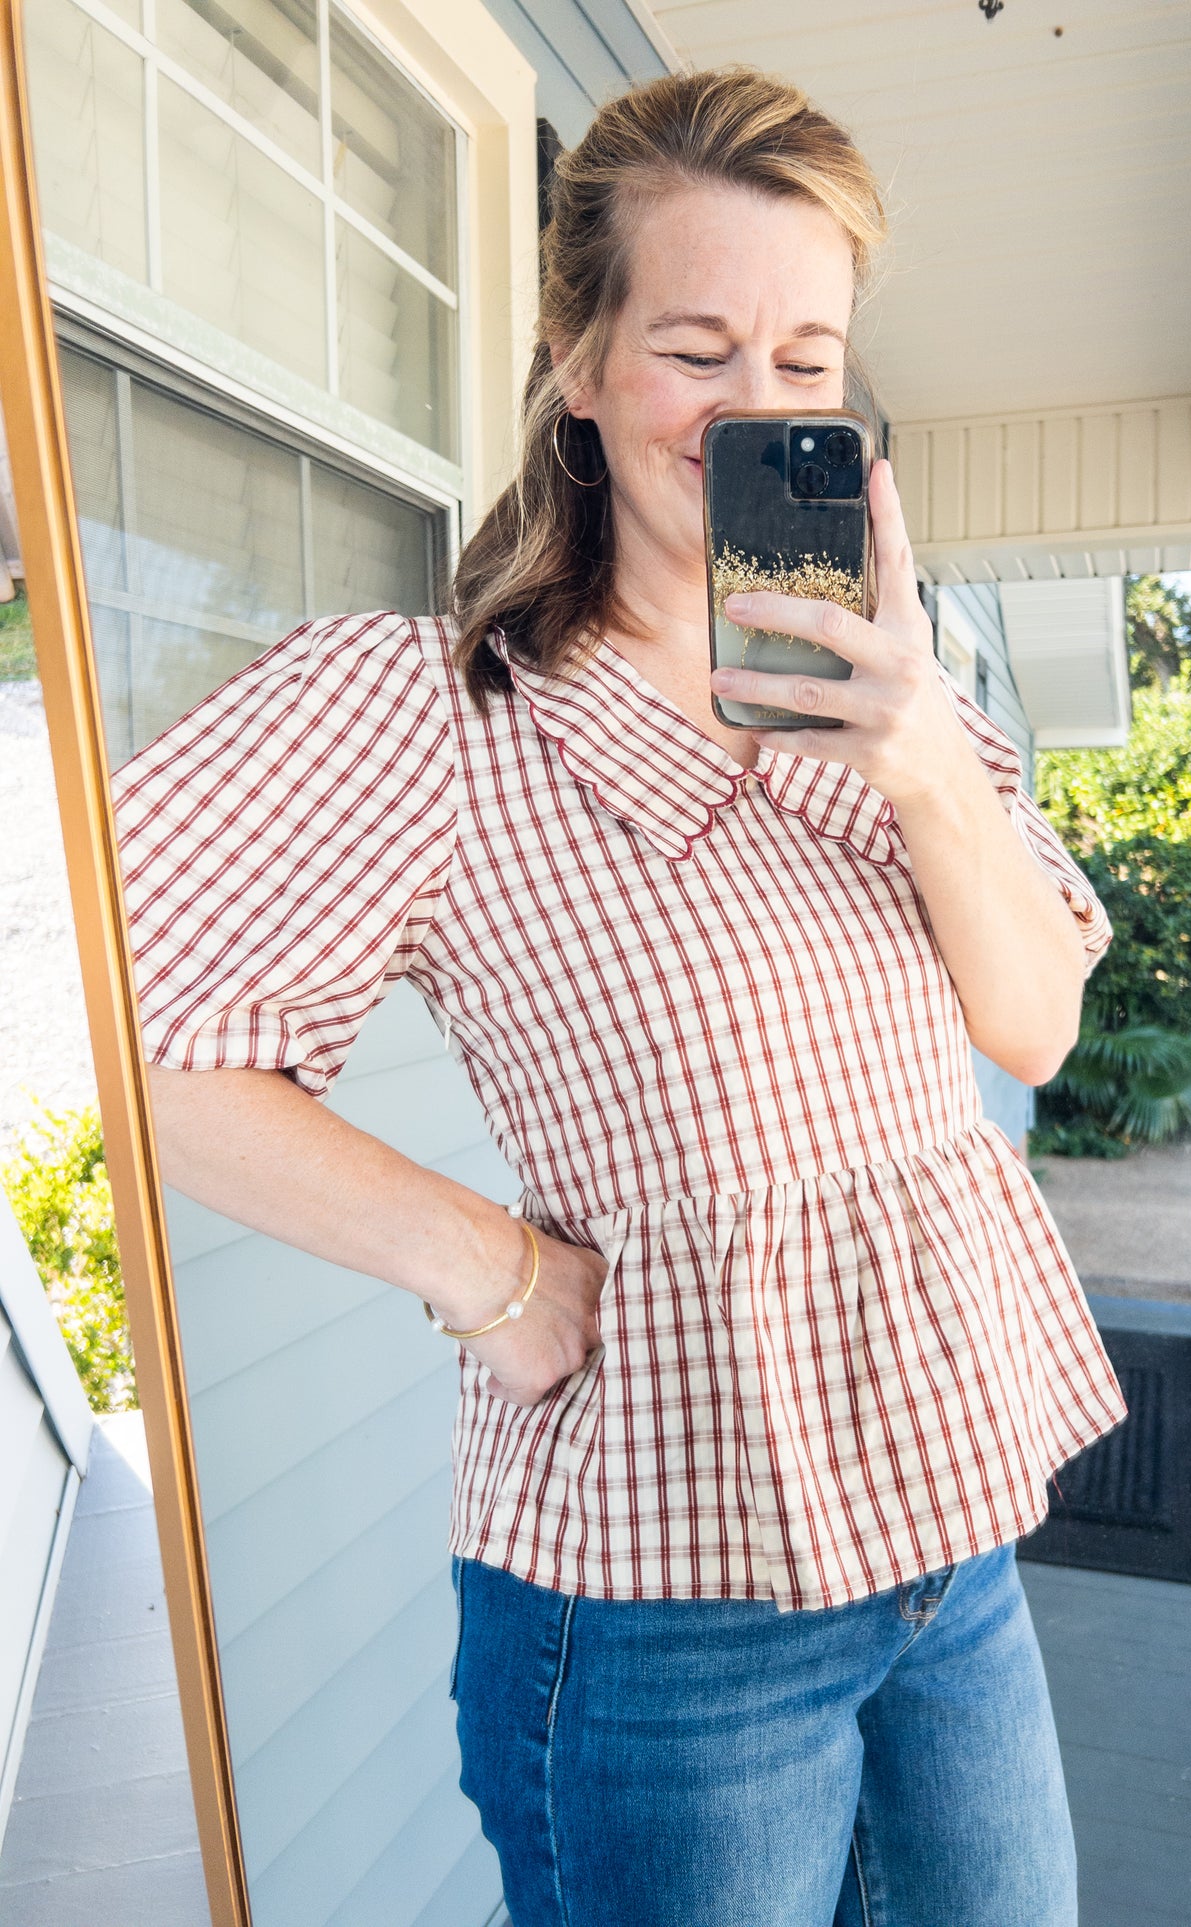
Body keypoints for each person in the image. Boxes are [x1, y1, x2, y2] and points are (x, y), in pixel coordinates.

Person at [112, 65, 1127, 1927]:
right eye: (698, 347)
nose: (756, 407)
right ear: (579, 363)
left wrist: (910, 751)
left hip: (954, 1558)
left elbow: (1034, 1028)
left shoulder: (897, 683)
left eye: (807, 361)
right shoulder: (419, 711)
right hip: (667, 1619)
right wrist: (481, 1266)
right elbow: (138, 1035)